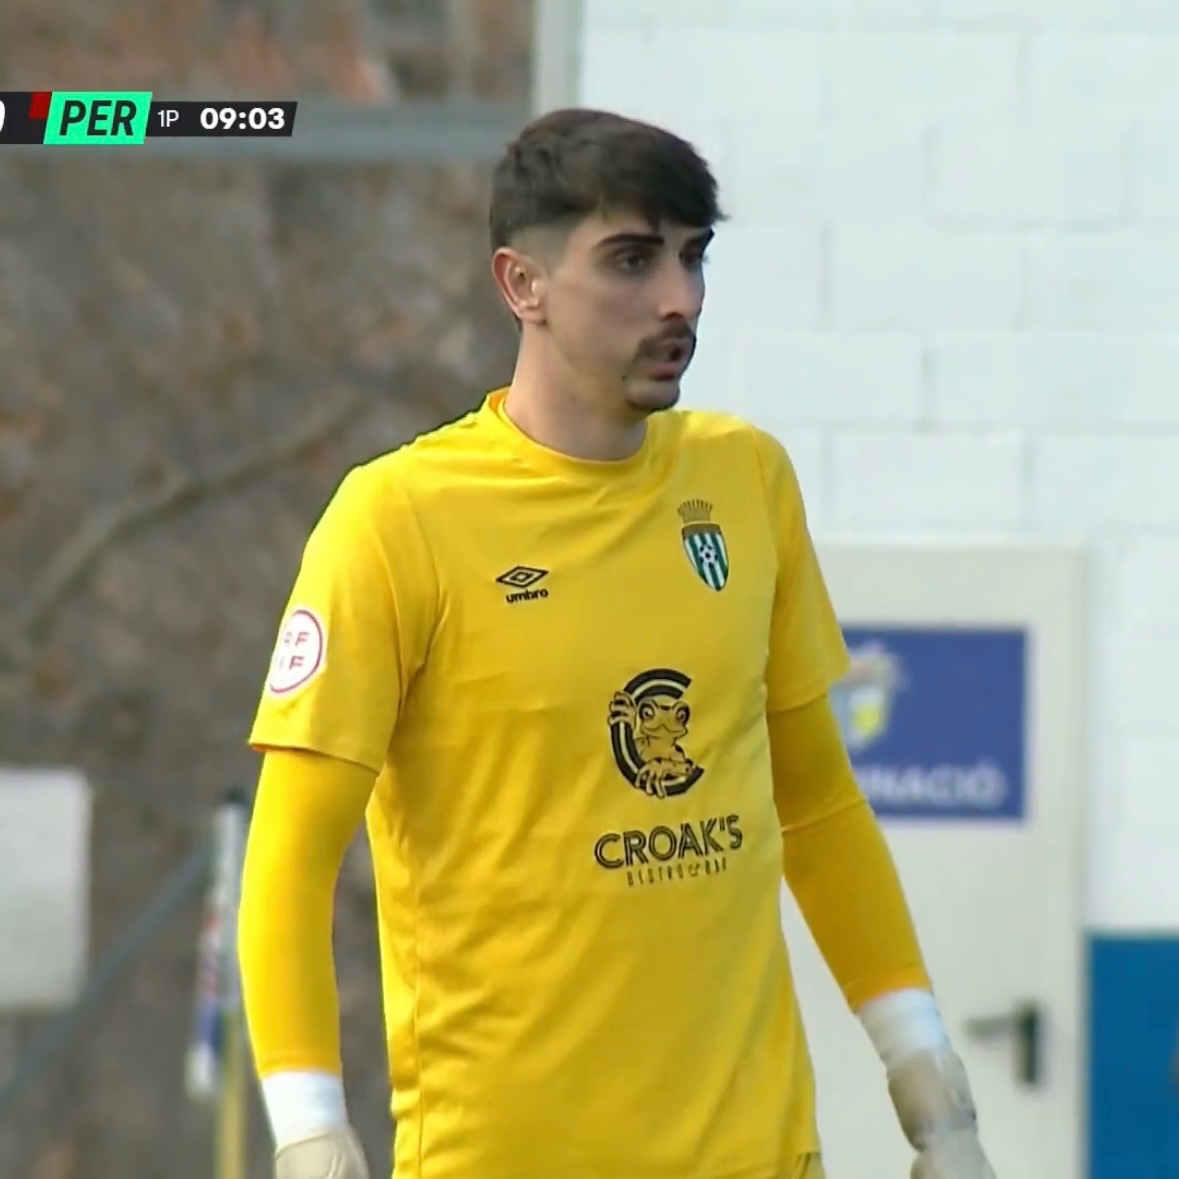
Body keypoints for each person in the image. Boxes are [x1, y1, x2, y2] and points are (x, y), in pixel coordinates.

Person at [237, 108, 997, 1179]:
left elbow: (820, 807)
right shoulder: (398, 520)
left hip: (758, 1157)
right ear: (523, 285)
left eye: (694, 256)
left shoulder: (745, 480)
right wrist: (310, 1131)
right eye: (632, 261)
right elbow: (289, 861)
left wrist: (927, 1079)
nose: (679, 298)